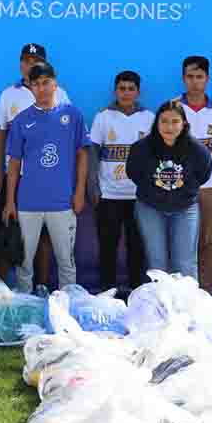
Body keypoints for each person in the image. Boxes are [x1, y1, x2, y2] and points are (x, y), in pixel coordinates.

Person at [3, 62, 89, 294]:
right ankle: (23, 308)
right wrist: (10, 201)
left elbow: (83, 154)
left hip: (62, 202)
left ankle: (67, 313)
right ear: (30, 87)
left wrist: (80, 191)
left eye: (46, 83)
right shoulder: (22, 120)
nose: (42, 89)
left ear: (55, 84)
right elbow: (14, 163)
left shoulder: (72, 115)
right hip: (28, 203)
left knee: (66, 263)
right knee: (24, 263)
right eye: (36, 84)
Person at [0, 43, 70, 286]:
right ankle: (3, 291)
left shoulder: (60, 94)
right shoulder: (9, 94)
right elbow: (0, 133)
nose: (30, 65)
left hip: (46, 178)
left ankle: (42, 288)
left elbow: (69, 136)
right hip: (15, 176)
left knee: (44, 236)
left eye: (35, 61)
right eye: (26, 60)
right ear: (20, 63)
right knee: (7, 233)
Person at [127, 101, 212, 279]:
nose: (169, 127)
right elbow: (134, 173)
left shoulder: (197, 150)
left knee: (185, 263)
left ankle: (186, 305)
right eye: (164, 121)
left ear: (184, 124)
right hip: (150, 208)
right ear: (156, 123)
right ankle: (159, 304)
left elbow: (203, 175)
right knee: (156, 262)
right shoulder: (141, 148)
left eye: (175, 122)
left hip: (185, 208)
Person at [88, 70, 154, 292]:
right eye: (122, 88)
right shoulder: (103, 117)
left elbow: (156, 155)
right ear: (115, 91)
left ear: (138, 91)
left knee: (137, 246)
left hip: (140, 196)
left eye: (130, 89)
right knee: (108, 246)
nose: (126, 93)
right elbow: (93, 154)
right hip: (109, 195)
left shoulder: (149, 118)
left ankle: (137, 292)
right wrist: (93, 187)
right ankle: (108, 292)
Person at [174, 56, 212, 294]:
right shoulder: (173, 107)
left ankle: (204, 290)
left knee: (207, 238)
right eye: (190, 76)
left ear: (207, 79)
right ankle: (179, 290)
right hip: (176, 182)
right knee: (179, 238)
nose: (194, 82)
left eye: (199, 77)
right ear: (183, 78)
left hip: (210, 183)